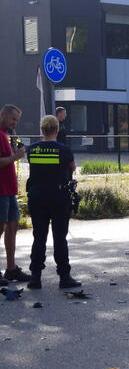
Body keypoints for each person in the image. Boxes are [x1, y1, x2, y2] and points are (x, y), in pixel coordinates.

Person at [25, 115, 81, 289]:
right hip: (58, 196)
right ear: (57, 129)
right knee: (59, 237)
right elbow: (73, 168)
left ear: (42, 129)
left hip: (37, 196)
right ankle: (64, 277)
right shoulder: (63, 150)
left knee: (39, 237)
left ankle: (35, 277)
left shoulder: (32, 149)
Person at [0, 105, 31, 285]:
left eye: (17, 121)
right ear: (3, 115)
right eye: (13, 119)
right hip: (1, 191)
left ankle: (11, 269)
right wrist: (15, 156)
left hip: (10, 190)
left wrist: (13, 150)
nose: (14, 124)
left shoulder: (6, 134)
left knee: (12, 228)